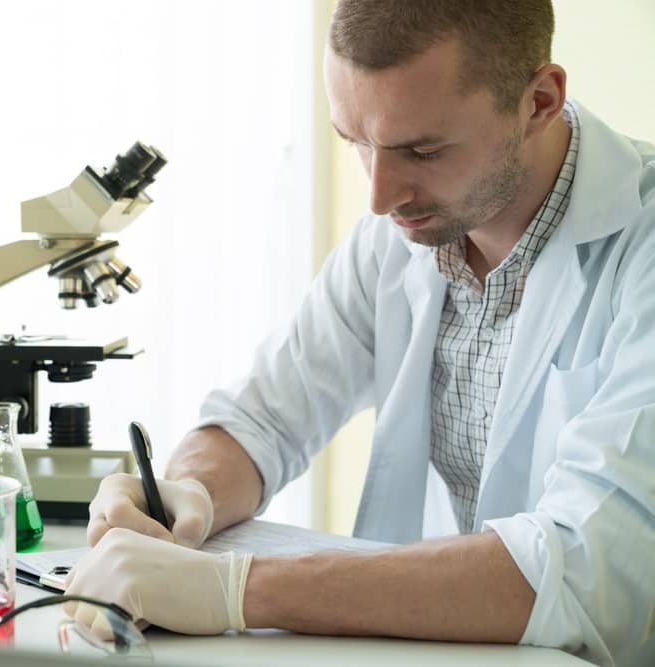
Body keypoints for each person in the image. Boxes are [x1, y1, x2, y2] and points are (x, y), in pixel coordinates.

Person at [65, 1, 655, 664]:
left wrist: (236, 589)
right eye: (356, 141)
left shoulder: (644, 250)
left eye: (421, 149)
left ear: (540, 101)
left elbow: (584, 571)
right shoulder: (403, 233)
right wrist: (186, 493)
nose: (378, 195)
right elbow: (264, 415)